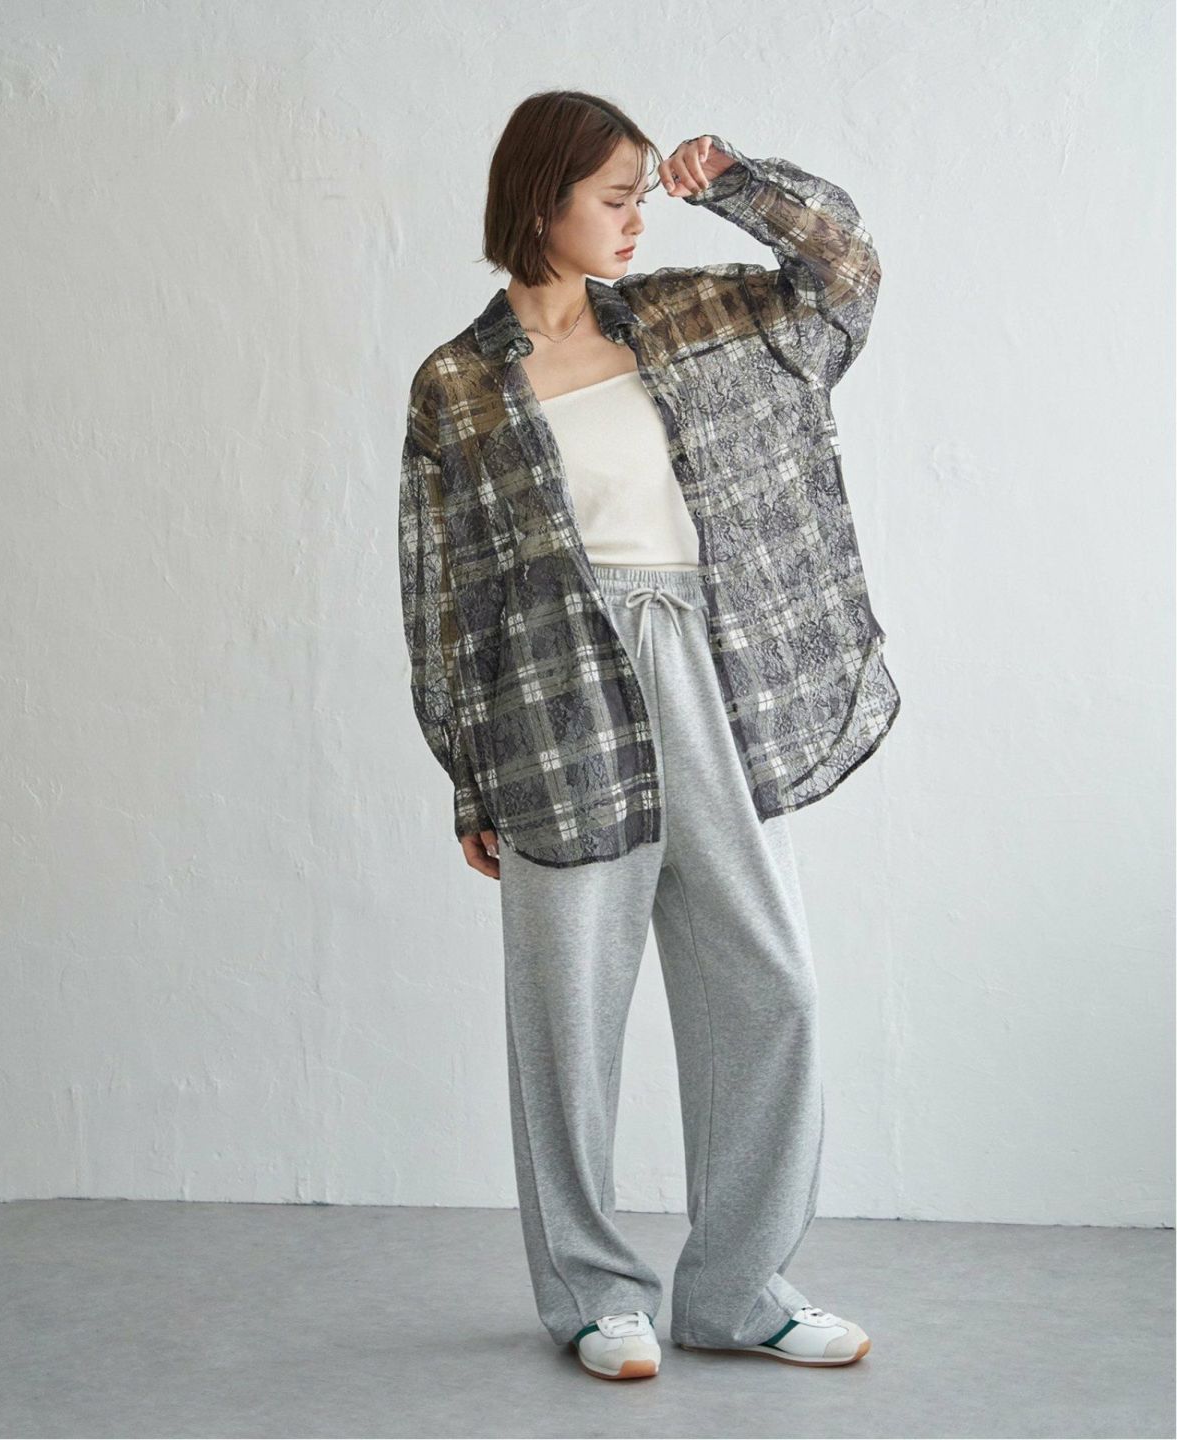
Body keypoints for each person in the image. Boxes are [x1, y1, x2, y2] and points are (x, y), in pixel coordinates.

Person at [398, 89, 898, 1380]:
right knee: (568, 1010)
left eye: (641, 195)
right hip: (555, 698)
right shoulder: (457, 383)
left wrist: (735, 183)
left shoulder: (684, 314)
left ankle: (736, 1288)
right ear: (542, 202)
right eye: (614, 197)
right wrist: (469, 779)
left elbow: (843, 277)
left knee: (769, 983)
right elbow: (444, 590)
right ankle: (590, 1291)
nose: (636, 219)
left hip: (707, 668)